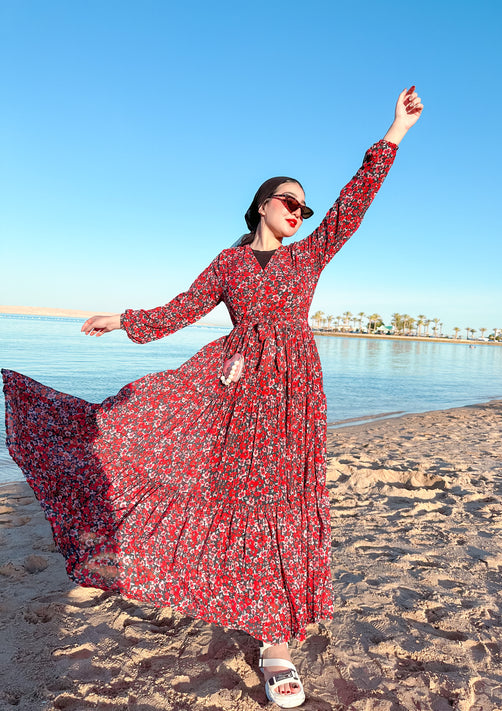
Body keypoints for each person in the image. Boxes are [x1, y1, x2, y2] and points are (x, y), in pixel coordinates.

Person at [2, 87, 423, 708]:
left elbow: (353, 206)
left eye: (305, 210)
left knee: (286, 500)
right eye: (290, 203)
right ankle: (248, 602)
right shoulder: (227, 265)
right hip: (234, 391)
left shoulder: (309, 257)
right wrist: (120, 320)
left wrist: (395, 132)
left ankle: (278, 641)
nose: (300, 214)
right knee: (224, 491)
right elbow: (180, 310)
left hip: (295, 391)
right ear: (262, 205)